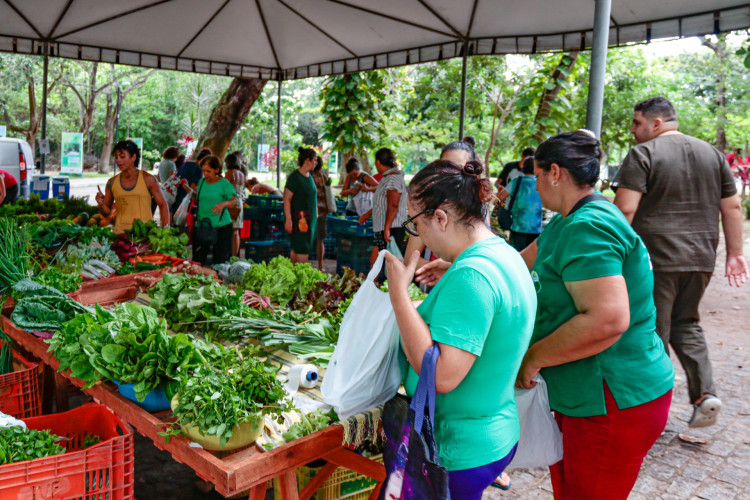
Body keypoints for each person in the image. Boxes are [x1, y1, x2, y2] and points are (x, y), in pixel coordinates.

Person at [501, 131, 672, 500]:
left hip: (612, 396)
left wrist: (533, 359)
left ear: (555, 173)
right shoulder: (570, 219)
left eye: (535, 176)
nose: (535, 185)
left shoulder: (588, 226)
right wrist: (457, 265)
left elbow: (607, 319)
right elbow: (519, 263)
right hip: (585, 395)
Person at [384, 159, 536, 500]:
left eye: (415, 223)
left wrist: (399, 298)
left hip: (459, 448)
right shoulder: (501, 254)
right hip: (493, 430)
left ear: (440, 218)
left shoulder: (472, 276)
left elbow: (441, 376)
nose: (416, 235)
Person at [613, 96, 748, 428]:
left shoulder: (643, 154)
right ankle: (705, 395)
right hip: (701, 257)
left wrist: (608, 253)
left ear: (656, 124)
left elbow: (626, 209)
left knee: (652, 330)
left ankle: (649, 409)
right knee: (686, 323)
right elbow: (731, 208)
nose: (633, 131)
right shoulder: (713, 155)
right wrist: (735, 253)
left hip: (656, 259)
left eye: (637, 123)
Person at [96, 140, 170, 234]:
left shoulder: (148, 179)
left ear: (133, 157)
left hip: (145, 237)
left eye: (122, 157)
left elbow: (163, 205)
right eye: (116, 157)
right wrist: (101, 203)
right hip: (120, 237)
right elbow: (106, 213)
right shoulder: (112, 182)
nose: (118, 160)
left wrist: (165, 229)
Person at [358, 148, 408, 263]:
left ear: (378, 162)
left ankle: (386, 281)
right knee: (377, 260)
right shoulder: (387, 177)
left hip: (392, 228)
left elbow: (393, 205)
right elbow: (384, 202)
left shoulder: (393, 178)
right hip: (384, 227)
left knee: (390, 262)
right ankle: (375, 281)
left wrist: (387, 228)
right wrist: (368, 214)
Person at [192, 155, 236, 265]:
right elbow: (199, 199)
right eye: (204, 171)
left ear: (217, 170)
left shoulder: (224, 184)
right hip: (203, 225)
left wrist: (223, 204)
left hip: (221, 226)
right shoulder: (201, 182)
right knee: (198, 259)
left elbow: (234, 202)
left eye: (209, 171)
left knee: (220, 261)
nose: (205, 174)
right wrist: (188, 189)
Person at [497, 156, 542, 251]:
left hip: (518, 226)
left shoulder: (517, 181)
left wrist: (500, 190)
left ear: (523, 168)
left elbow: (501, 197)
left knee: (517, 255)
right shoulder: (541, 182)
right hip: (536, 227)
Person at [284, 147, 318, 264]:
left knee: (298, 248)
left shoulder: (310, 176)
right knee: (302, 248)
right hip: (299, 220)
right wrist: (288, 219)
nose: (316, 162)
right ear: (307, 160)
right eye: (314, 160)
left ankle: (294, 275)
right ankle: (299, 276)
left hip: (310, 221)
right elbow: (287, 198)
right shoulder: (295, 177)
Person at [173, 147, 211, 215]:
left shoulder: (185, 164)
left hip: (176, 198)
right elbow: (194, 187)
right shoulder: (199, 168)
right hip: (187, 203)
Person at [312, 156, 332, 270]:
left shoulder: (311, 176)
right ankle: (320, 265)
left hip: (312, 210)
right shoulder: (324, 175)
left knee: (311, 238)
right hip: (322, 211)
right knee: (320, 239)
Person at [224, 153, 246, 257]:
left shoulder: (229, 173)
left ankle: (227, 255)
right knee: (235, 232)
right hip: (239, 203)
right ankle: (234, 255)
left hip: (231, 203)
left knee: (227, 231)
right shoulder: (241, 174)